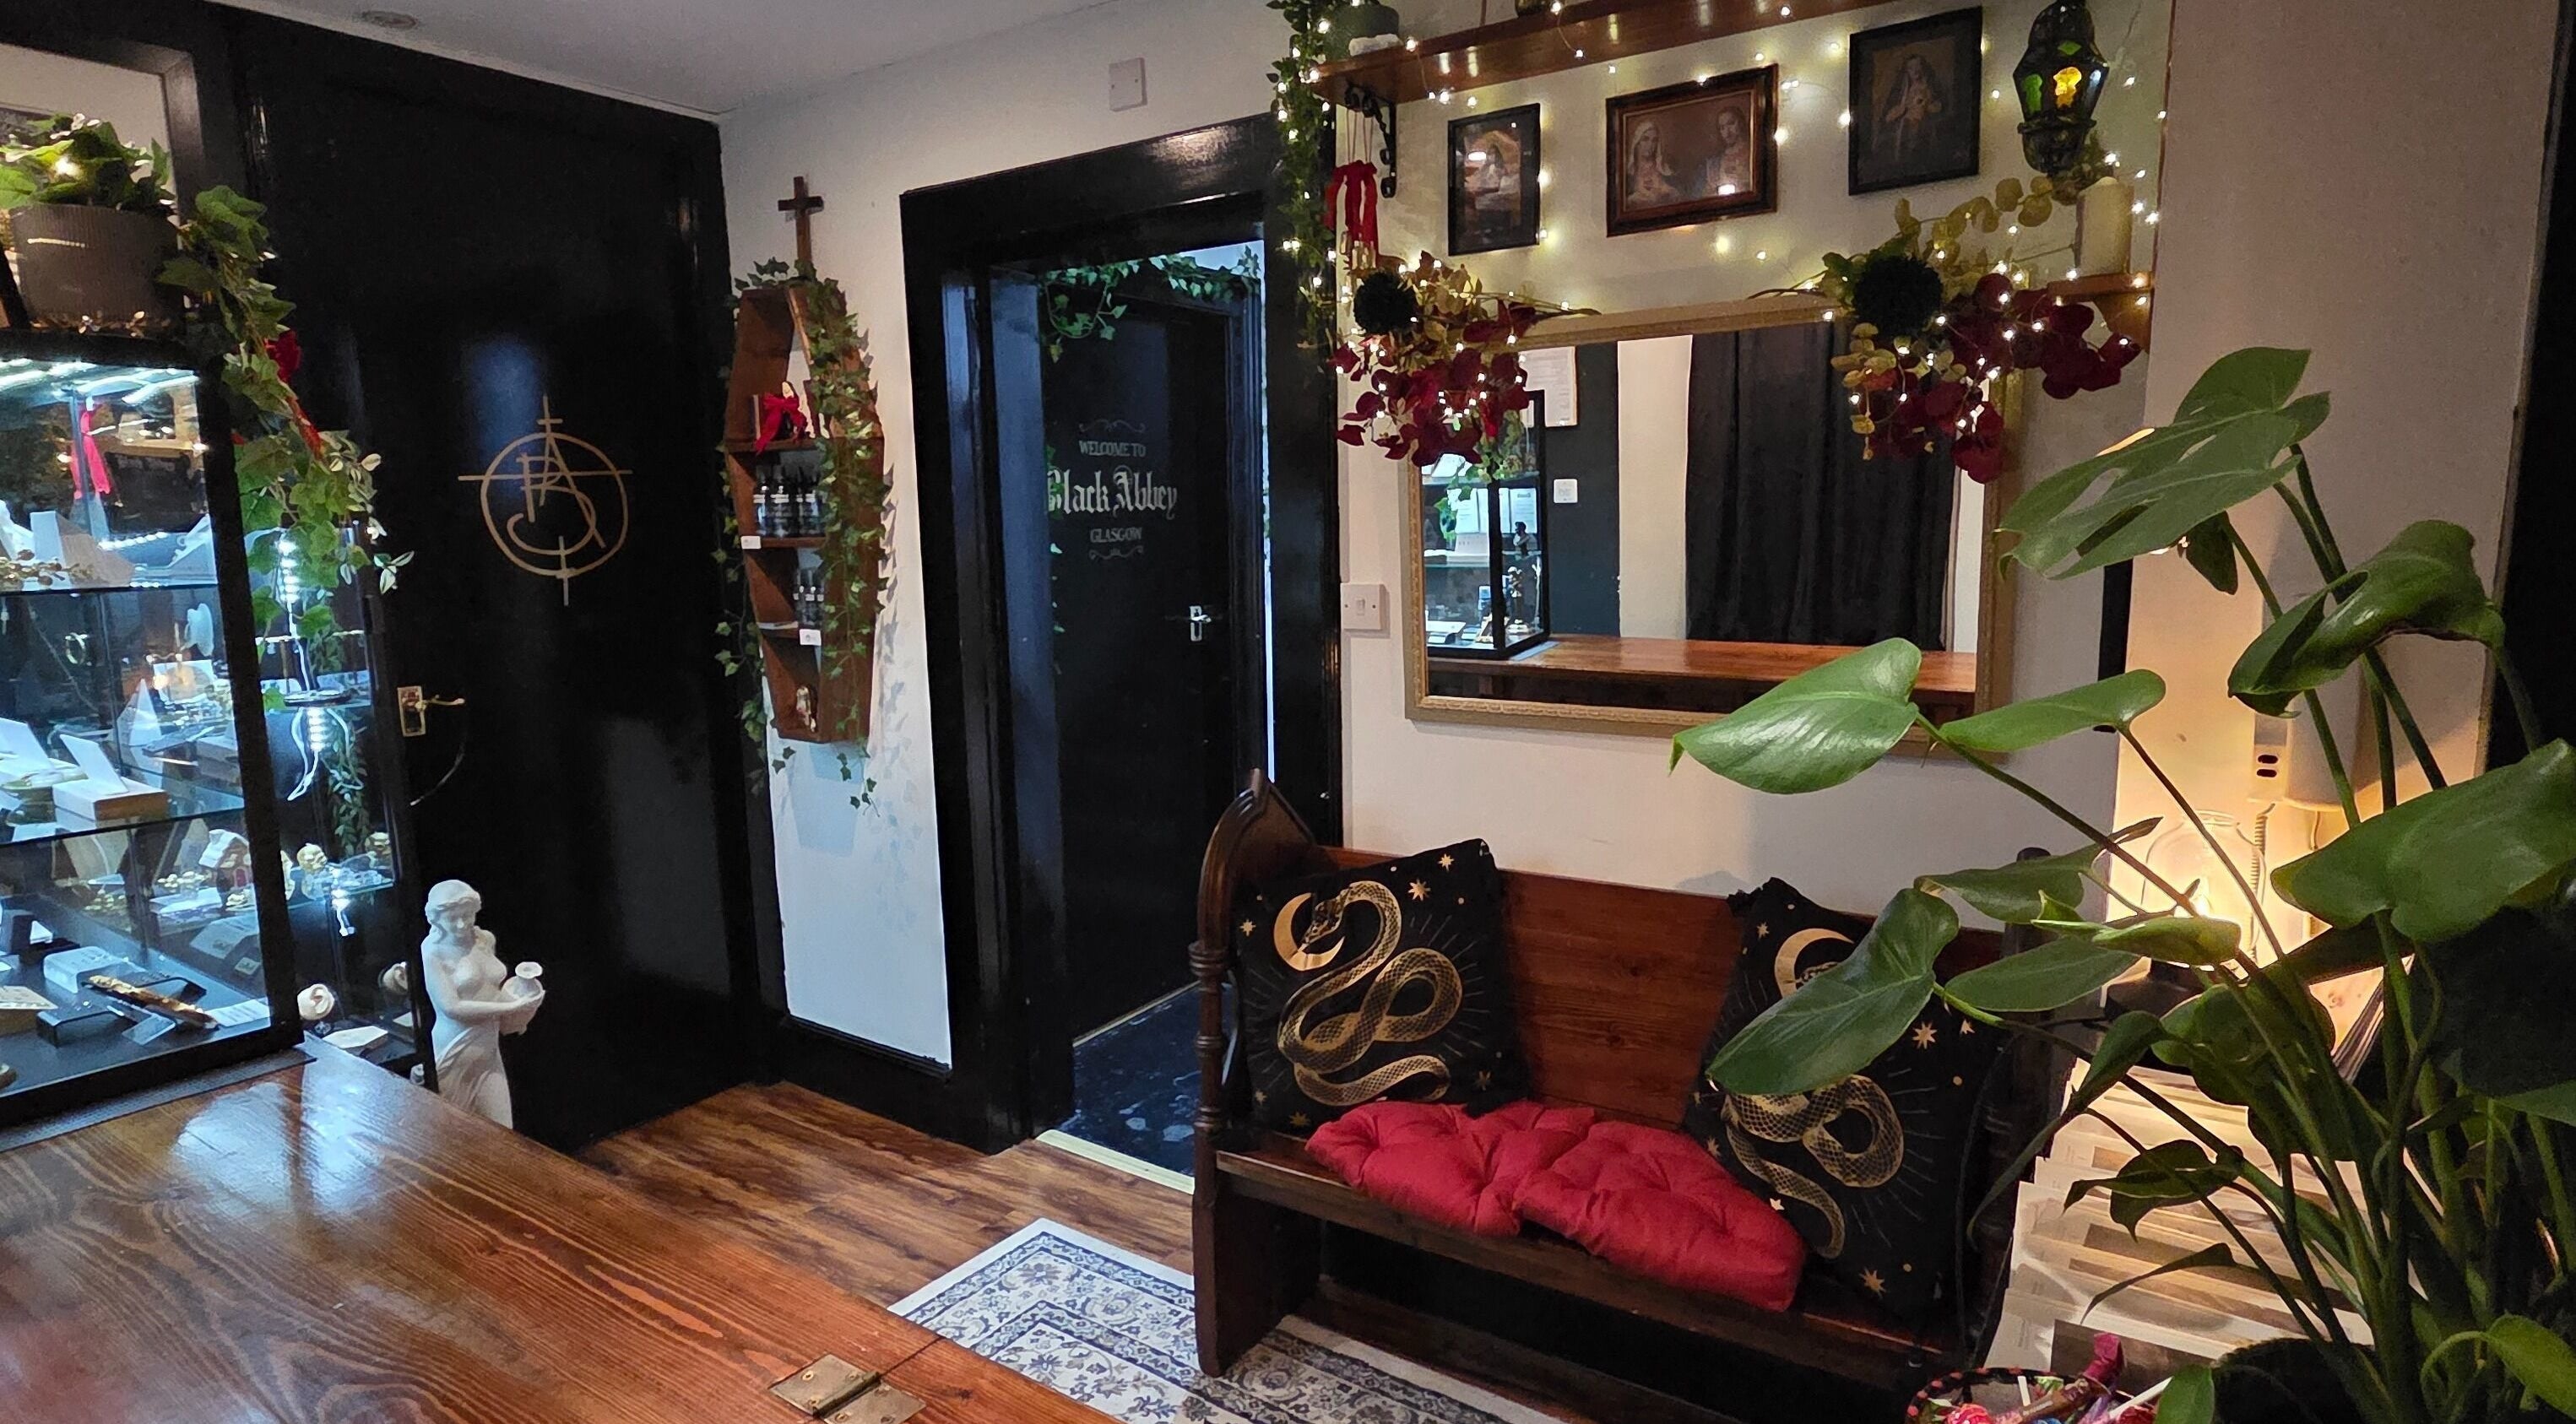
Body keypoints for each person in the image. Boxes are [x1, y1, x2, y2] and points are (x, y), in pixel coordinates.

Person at [420, 879, 544, 1128]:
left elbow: (491, 989)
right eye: (452, 918)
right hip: (455, 1047)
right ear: (435, 919)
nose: (462, 924)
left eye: (467, 916)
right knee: (456, 1135)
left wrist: (521, 993)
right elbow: (451, 1007)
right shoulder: (432, 951)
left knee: (503, 1130)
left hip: (487, 1048)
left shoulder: (484, 939)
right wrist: (509, 1008)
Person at [1874, 51, 1948, 169]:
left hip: (1925, 126)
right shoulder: (1901, 92)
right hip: (1905, 127)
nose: (1915, 71)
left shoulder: (1930, 88)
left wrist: (1927, 106)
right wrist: (1903, 109)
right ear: (1907, 71)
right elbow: (1889, 116)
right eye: (1911, 68)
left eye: (1918, 67)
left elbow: (1939, 106)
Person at [1698, 105, 1755, 198]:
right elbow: (1706, 195)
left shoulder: (1752, 153)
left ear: (1741, 122)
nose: (1727, 132)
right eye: (1722, 128)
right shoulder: (1714, 162)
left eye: (1731, 123)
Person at [1624, 119, 1684, 207]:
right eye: (1645, 139)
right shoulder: (1629, 173)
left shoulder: (1664, 169)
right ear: (1637, 143)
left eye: (1654, 140)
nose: (1650, 145)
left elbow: (1677, 196)